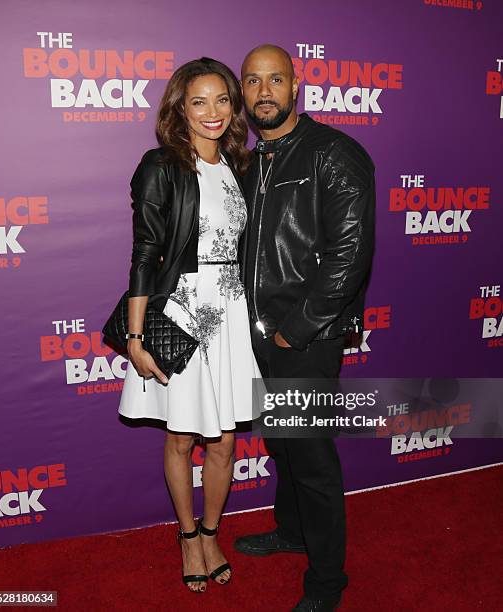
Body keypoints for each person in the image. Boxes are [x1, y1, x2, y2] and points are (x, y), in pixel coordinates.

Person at [235, 45, 375, 611]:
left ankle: (325, 583)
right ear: (242, 92)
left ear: (296, 87)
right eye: (251, 81)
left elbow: (350, 257)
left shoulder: (333, 154)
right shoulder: (249, 161)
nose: (263, 92)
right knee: (284, 447)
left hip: (302, 339)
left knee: (312, 461)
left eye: (275, 80)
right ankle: (292, 532)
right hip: (256, 336)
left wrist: (298, 330)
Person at [117, 57, 261, 593]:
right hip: (180, 311)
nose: (213, 112)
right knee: (180, 436)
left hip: (231, 313)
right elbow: (144, 254)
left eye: (222, 99)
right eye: (199, 102)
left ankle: (211, 531)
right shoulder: (161, 165)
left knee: (223, 440)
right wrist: (135, 337)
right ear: (180, 109)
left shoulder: (241, 167)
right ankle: (185, 536)